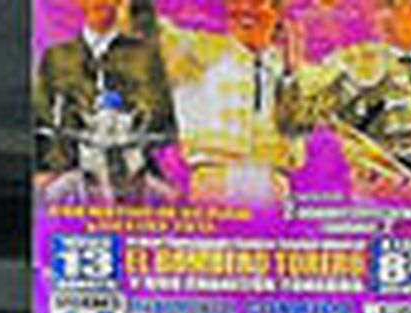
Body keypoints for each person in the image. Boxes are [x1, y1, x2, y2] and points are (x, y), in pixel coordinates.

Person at [136, 0, 308, 202]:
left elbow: (297, 135)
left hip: (274, 187)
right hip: (214, 183)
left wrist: (291, 74)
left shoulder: (291, 66)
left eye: (256, 2)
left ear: (278, 12)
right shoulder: (195, 52)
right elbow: (144, 24)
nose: (244, 8)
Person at [280, 0, 411, 196]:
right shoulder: (353, 60)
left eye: (390, 6)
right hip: (381, 197)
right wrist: (292, 71)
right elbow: (295, 121)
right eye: (377, 7)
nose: (379, 16)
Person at [35, 0, 177, 205]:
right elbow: (43, 117)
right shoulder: (57, 57)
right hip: (72, 170)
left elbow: (161, 113)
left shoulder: (146, 56)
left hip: (133, 169)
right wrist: (53, 166)